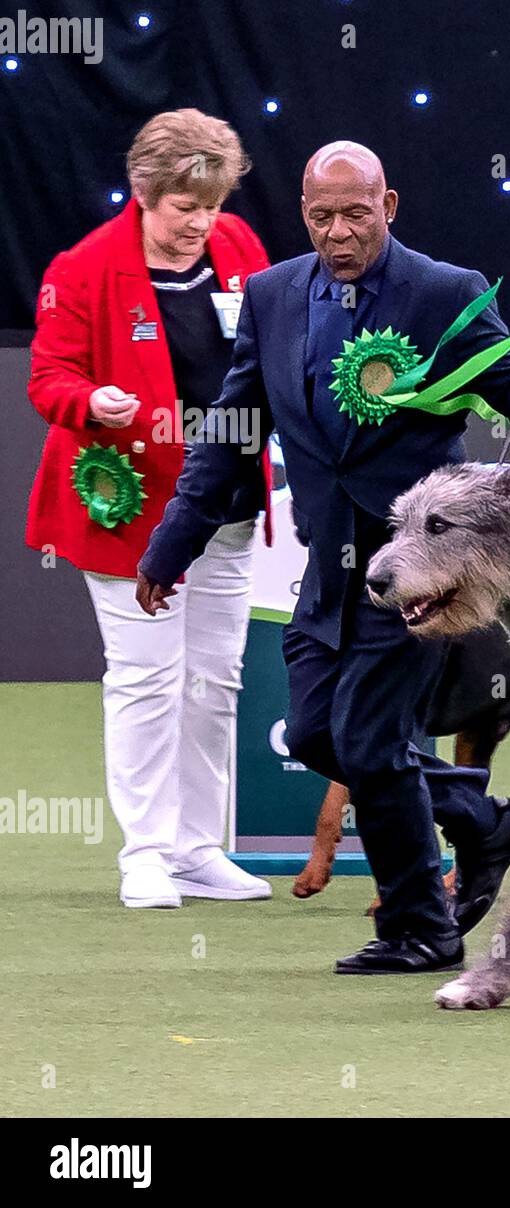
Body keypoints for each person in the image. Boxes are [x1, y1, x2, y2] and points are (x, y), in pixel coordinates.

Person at [137, 141, 510, 974]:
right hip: (326, 572)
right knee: (313, 735)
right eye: (320, 216)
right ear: (302, 214)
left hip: (417, 572)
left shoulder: (442, 292)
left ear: (390, 204)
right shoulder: (271, 296)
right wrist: (173, 545)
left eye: (355, 212)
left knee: (372, 742)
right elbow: (230, 438)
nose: (338, 230)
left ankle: (420, 928)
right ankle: (484, 823)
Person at [26, 109, 275, 909]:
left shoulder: (238, 247)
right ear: (144, 193)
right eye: (183, 208)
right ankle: (146, 853)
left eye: (211, 203)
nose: (201, 223)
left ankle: (200, 850)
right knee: (147, 680)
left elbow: (269, 352)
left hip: (225, 503)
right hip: (129, 508)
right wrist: (90, 400)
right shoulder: (84, 266)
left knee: (213, 680)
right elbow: (46, 377)